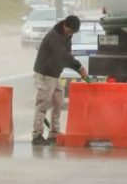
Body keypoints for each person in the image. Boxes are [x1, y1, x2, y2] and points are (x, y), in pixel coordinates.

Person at [32, 14, 90, 145]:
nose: (70, 34)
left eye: (73, 33)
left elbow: (66, 55)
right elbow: (64, 57)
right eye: (69, 31)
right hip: (45, 75)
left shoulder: (66, 35)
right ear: (65, 25)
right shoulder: (55, 37)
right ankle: (37, 135)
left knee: (58, 102)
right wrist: (80, 68)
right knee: (43, 105)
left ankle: (54, 133)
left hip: (55, 75)